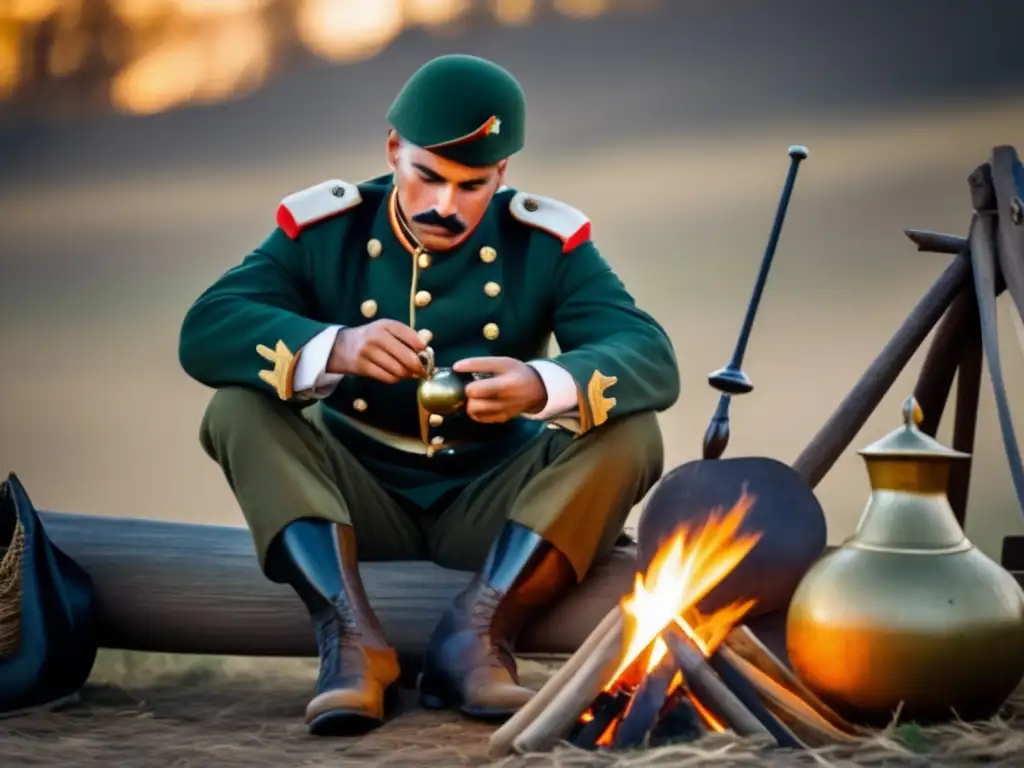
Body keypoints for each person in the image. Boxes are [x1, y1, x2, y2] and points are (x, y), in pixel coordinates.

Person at [178, 53, 680, 736]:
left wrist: (541, 385)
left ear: (503, 174)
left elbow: (649, 356)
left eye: (473, 185)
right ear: (393, 150)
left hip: (497, 497)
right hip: (351, 495)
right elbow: (206, 328)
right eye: (427, 176)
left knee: (633, 431)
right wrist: (335, 346)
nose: (447, 204)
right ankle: (349, 640)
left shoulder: (546, 244)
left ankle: (479, 634)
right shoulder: (327, 231)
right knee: (235, 407)